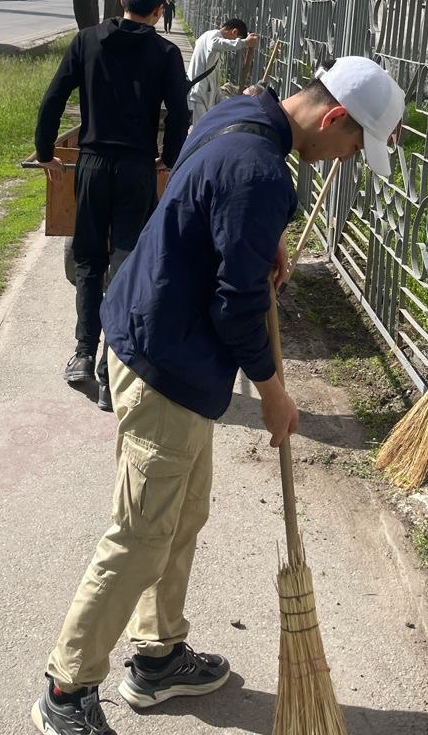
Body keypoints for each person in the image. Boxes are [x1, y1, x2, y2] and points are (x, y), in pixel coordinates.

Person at [30, 55, 405, 735]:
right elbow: (237, 308)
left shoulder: (246, 111)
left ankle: (157, 656)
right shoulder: (261, 172)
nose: (349, 160)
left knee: (181, 515)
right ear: (334, 118)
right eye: (355, 147)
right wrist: (274, 393)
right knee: (141, 534)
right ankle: (66, 688)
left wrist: (261, 244)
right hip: (164, 362)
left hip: (171, 348)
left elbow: (213, 200)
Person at [33, 0, 191, 411]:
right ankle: (110, 370)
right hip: (137, 169)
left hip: (93, 165)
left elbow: (53, 99)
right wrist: (168, 157)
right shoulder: (165, 53)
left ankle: (83, 353)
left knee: (88, 259)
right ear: (159, 10)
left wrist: (45, 151)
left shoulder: (86, 41)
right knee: (125, 264)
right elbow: (179, 113)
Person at [186, 18, 257, 125]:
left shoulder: (212, 45)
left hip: (204, 95)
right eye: (236, 38)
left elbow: (214, 81)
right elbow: (216, 44)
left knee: (204, 128)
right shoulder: (213, 35)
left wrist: (226, 101)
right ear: (234, 32)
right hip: (198, 95)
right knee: (199, 129)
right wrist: (245, 43)